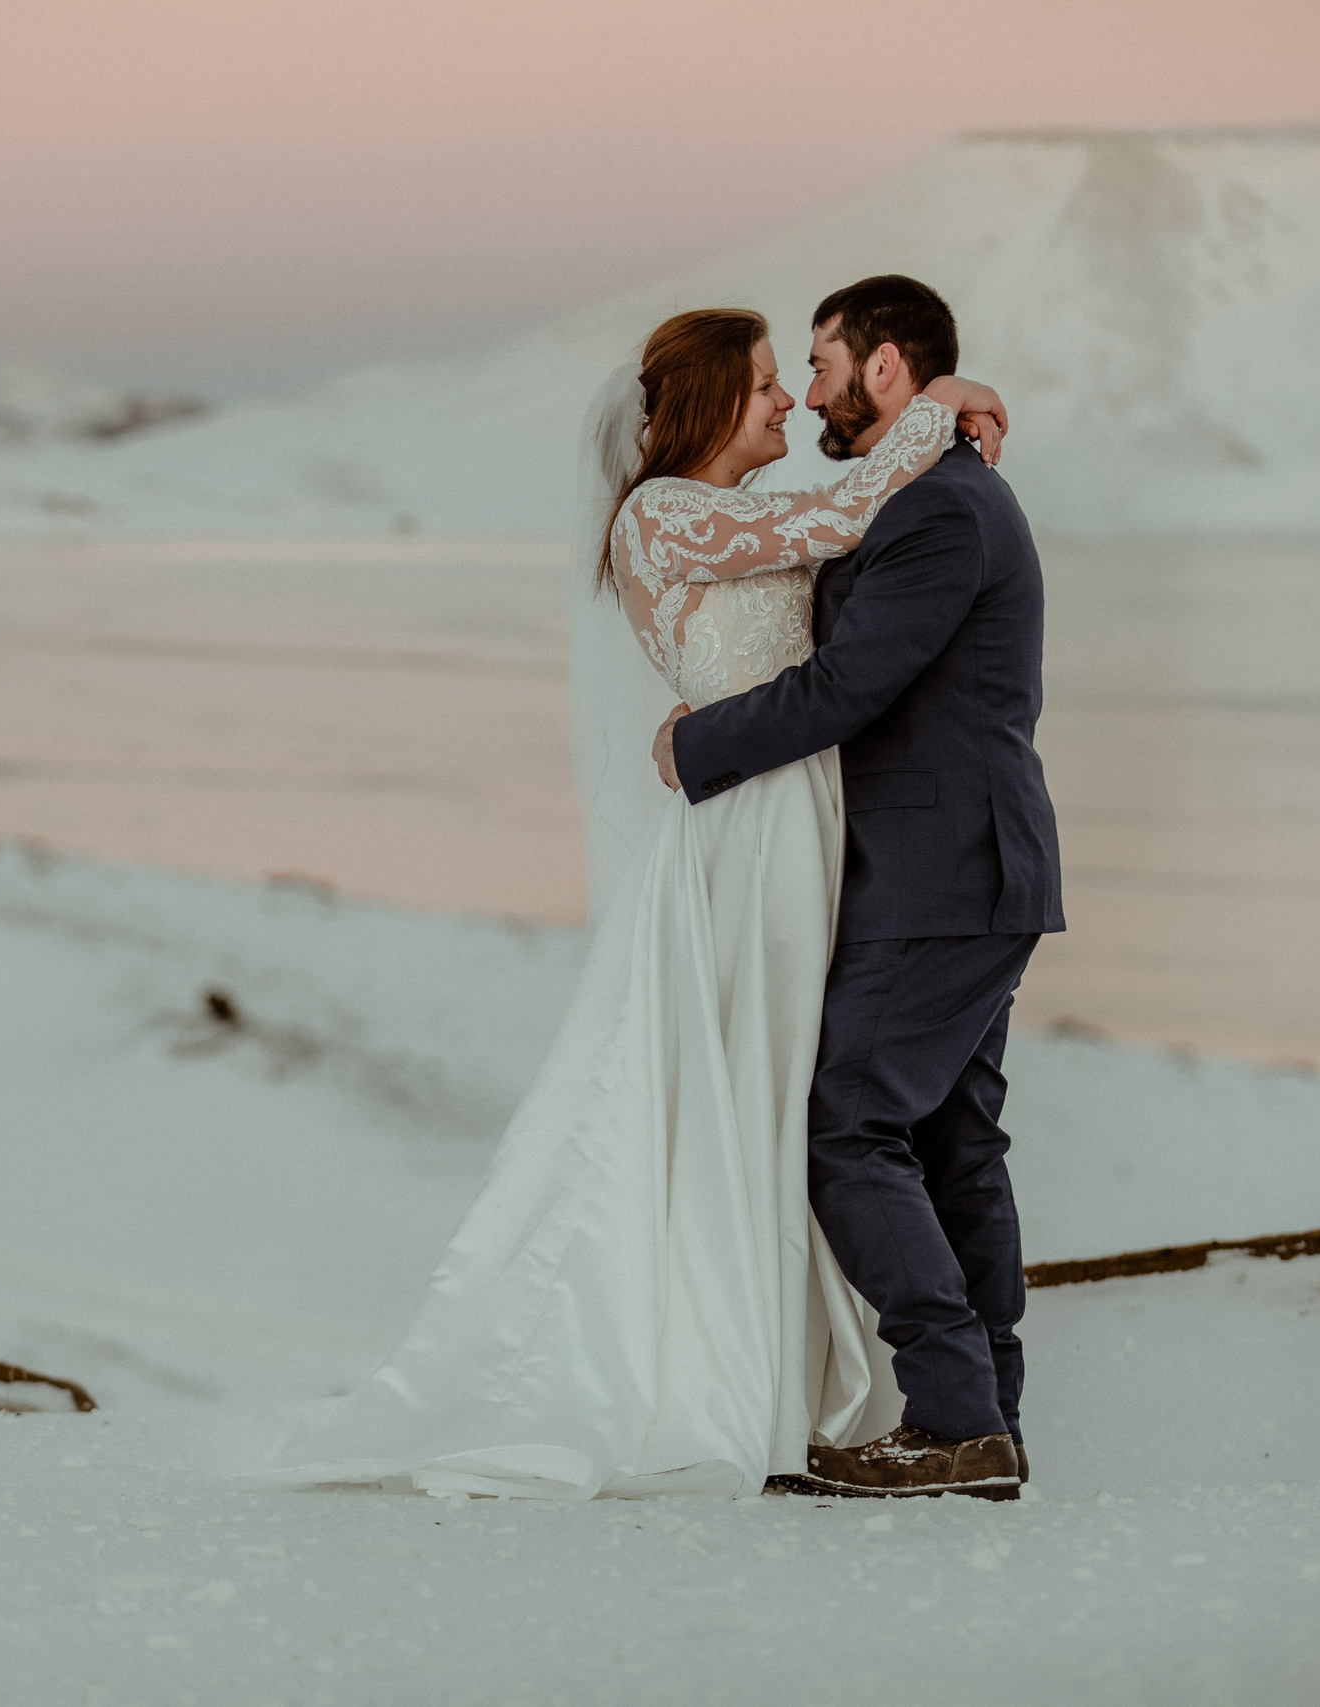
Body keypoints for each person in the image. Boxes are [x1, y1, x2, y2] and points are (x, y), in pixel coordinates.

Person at [250, 301, 1010, 1499]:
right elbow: (849, 512)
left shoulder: (741, 518)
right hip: (753, 836)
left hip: (802, 822)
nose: (787, 403)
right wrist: (945, 402)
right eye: (766, 384)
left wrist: (935, 409)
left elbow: (841, 557)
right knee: (767, 1095)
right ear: (711, 403)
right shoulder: (662, 517)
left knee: (785, 1103)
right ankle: (730, 1376)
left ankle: (820, 1380)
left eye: (790, 378)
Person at [654, 275, 1063, 1499]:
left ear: (884, 368)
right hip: (958, 869)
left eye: (822, 364)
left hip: (944, 872)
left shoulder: (939, 510)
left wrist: (697, 746)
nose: (809, 389)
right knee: (950, 1143)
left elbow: (850, 688)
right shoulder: (918, 490)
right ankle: (981, 1418)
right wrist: (950, 400)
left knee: (845, 1126)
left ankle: (954, 1415)